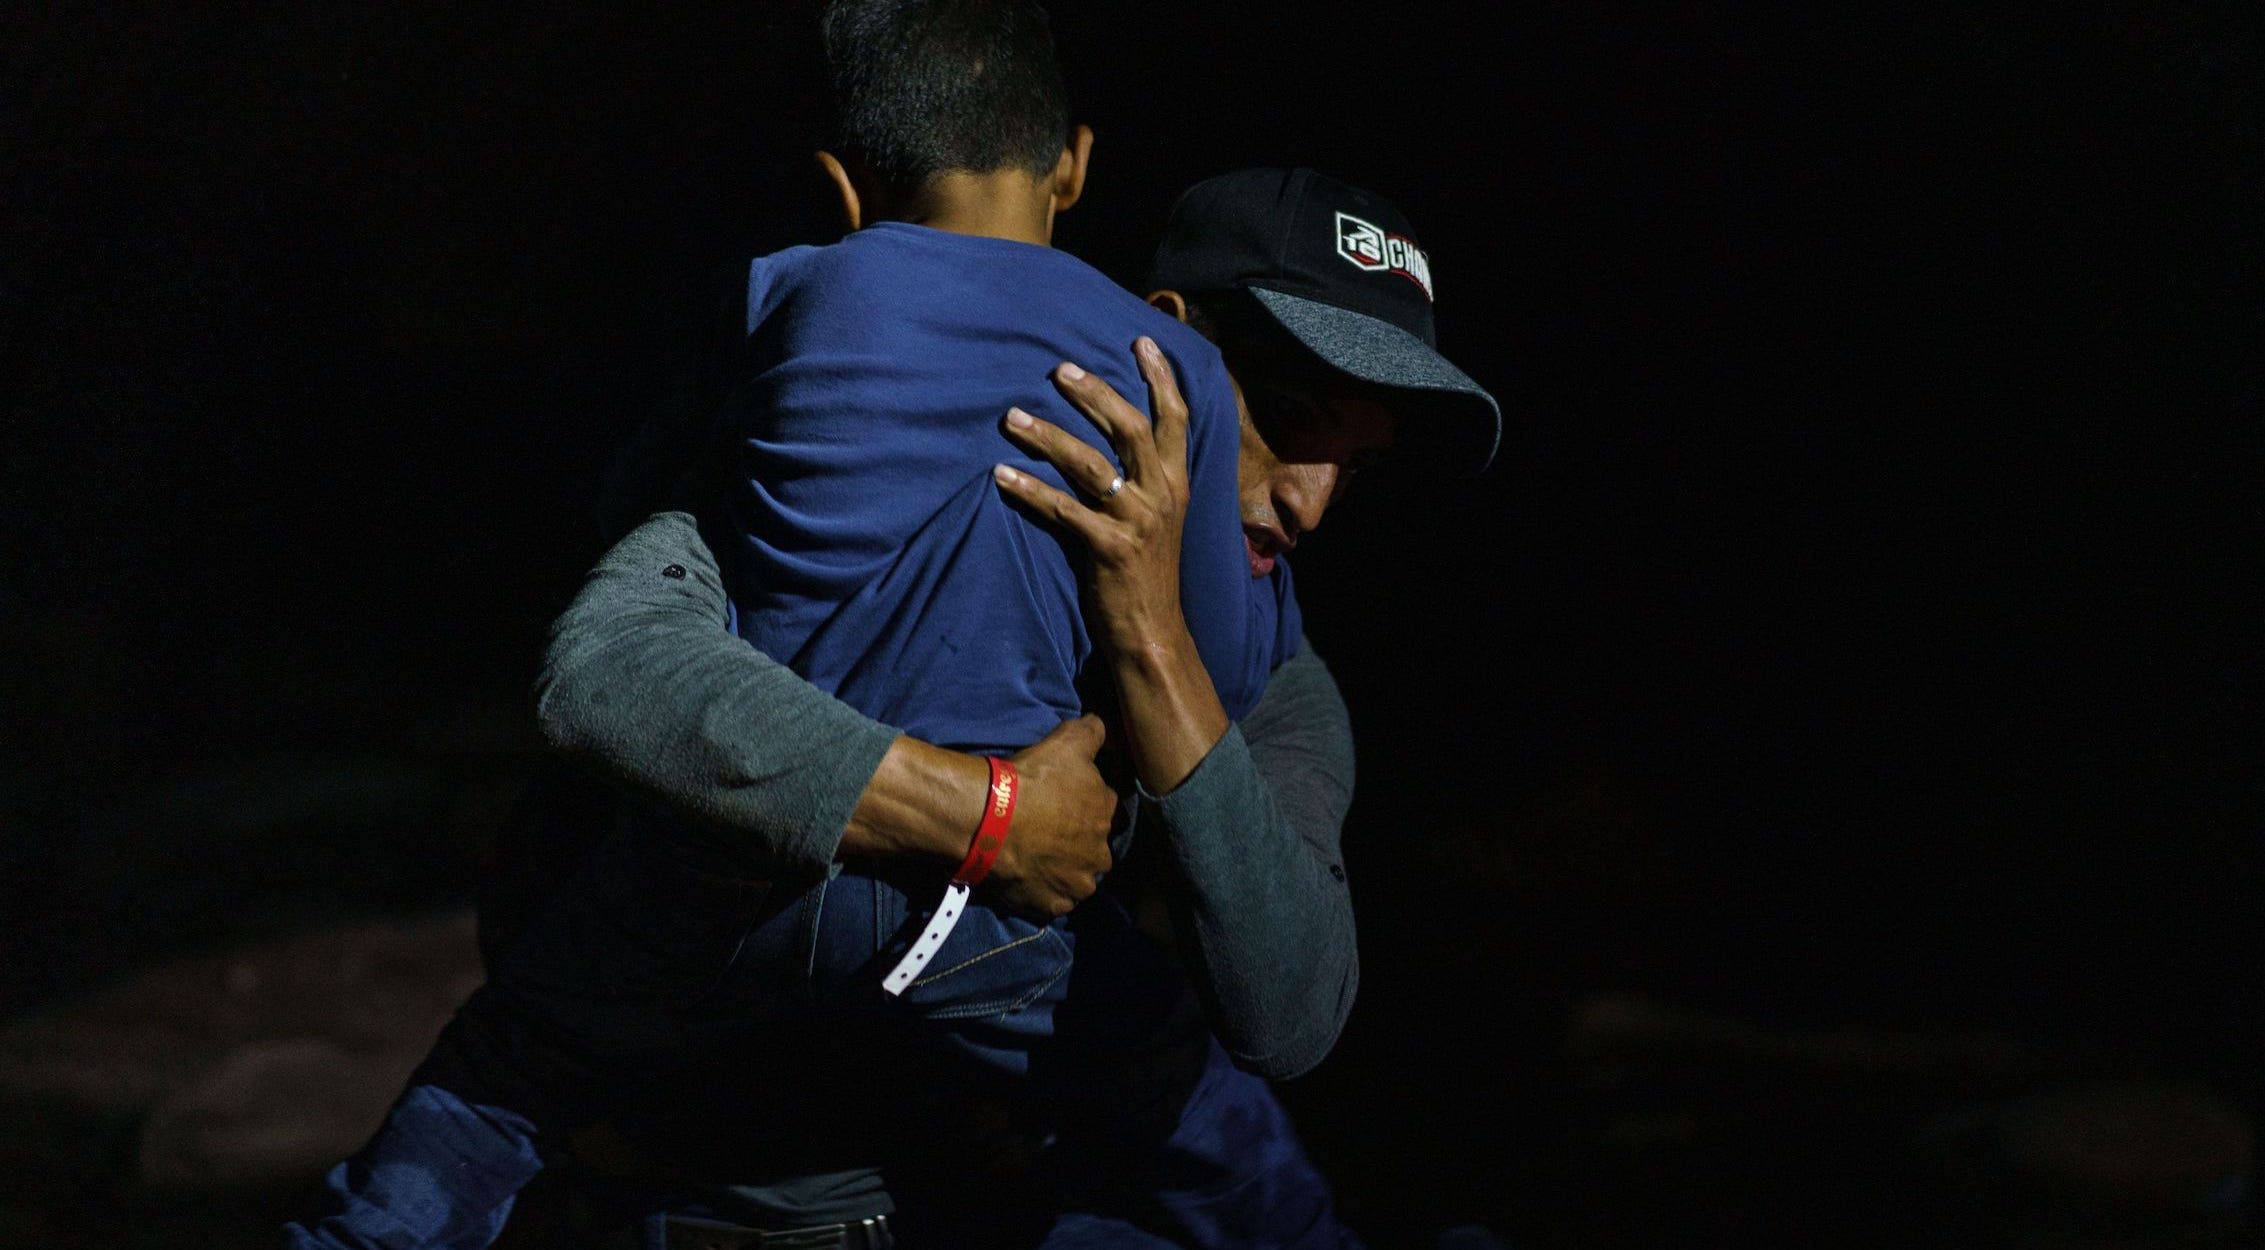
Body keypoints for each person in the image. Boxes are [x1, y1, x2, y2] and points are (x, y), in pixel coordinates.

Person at [284, 8, 1501, 1248]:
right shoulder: (823, 466)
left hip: (955, 1170)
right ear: (1169, 341)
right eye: (1290, 419)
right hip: (695, 1173)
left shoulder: (1275, 675)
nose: (1310, 498)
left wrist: (1154, 640)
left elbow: (1288, 1010)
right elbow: (607, 668)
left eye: (1361, 465)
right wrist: (989, 815)